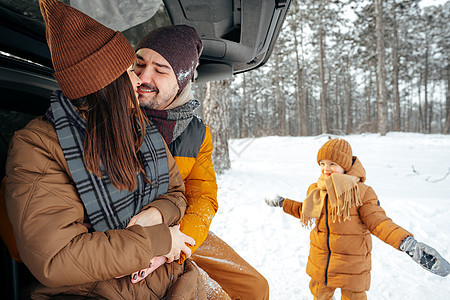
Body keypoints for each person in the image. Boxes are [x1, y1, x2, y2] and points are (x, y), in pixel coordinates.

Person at [4, 0, 205, 298]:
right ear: (105, 82)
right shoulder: (39, 146)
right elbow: (57, 259)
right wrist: (157, 242)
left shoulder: (140, 127)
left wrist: (156, 213)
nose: (138, 80)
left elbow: (177, 193)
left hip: (168, 279)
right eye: (130, 70)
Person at [131, 25, 270, 299]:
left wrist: (178, 244)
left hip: (181, 230)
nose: (143, 77)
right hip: (131, 234)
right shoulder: (114, 114)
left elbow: (203, 198)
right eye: (139, 64)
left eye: (160, 70)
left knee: (255, 288)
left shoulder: (197, 134)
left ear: (184, 81)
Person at [265, 138, 450, 300]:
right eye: (322, 163)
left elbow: (378, 222)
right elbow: (306, 211)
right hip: (321, 261)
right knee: (319, 295)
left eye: (332, 163)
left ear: (345, 165)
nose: (326, 169)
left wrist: (407, 243)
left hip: (352, 265)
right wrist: (283, 202)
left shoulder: (361, 192)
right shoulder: (317, 188)